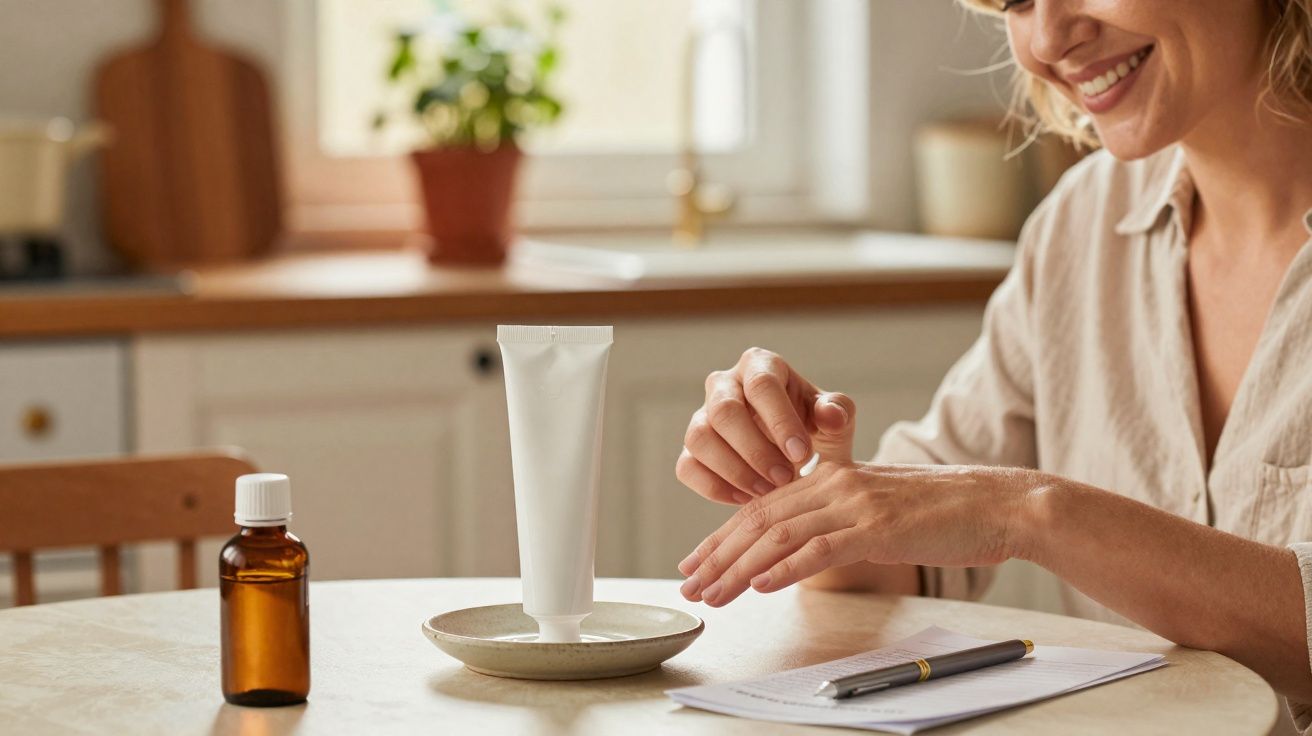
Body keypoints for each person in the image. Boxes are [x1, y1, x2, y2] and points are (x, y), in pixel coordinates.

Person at [673, 0, 1312, 729]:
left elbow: (990, 503)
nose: (1047, 40)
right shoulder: (1082, 225)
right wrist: (813, 497)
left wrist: (1030, 511)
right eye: (1014, 2)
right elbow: (912, 550)